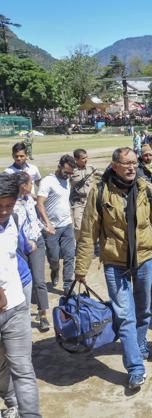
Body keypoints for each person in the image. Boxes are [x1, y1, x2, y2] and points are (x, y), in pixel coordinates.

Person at [75, 147, 152, 390]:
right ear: (114, 165)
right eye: (126, 163)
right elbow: (87, 232)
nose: (132, 167)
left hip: (145, 258)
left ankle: (141, 340)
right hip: (115, 263)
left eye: (134, 163)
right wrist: (81, 268)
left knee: (144, 309)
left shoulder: (146, 189)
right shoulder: (100, 192)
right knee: (125, 315)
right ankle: (135, 367)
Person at [0, 172, 41, 417]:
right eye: (0, 206)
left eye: (8, 205)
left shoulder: (14, 219)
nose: (4, 211)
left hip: (15, 309)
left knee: (23, 369)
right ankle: (12, 403)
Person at [13, 172, 50, 332]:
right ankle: (23, 316)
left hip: (38, 243)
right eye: (30, 184)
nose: (32, 186)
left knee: (39, 280)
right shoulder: (11, 203)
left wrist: (46, 227)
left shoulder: (30, 200)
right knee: (24, 282)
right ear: (23, 185)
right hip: (20, 247)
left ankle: (43, 315)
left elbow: (33, 221)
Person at [36, 155, 76, 293]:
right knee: (53, 257)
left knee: (70, 255)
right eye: (66, 172)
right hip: (51, 228)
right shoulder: (48, 181)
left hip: (67, 225)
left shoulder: (67, 180)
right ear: (59, 167)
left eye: (71, 173)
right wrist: (48, 224)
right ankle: (54, 270)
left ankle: (67, 285)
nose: (68, 175)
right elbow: (40, 204)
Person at [70, 149, 101, 240]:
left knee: (93, 224)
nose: (86, 159)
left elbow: (103, 174)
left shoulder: (91, 168)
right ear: (76, 159)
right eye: (83, 158)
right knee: (78, 227)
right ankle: (77, 244)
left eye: (86, 157)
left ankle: (90, 244)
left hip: (91, 201)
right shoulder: (71, 170)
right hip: (78, 202)